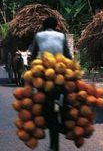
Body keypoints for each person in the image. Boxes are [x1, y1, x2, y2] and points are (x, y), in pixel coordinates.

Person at [30, 16, 72, 151]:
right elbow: (68, 55)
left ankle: (45, 121)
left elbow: (33, 55)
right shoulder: (61, 36)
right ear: (56, 26)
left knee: (41, 97)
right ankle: (65, 121)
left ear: (43, 26)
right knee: (67, 96)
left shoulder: (39, 36)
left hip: (44, 72)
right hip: (59, 72)